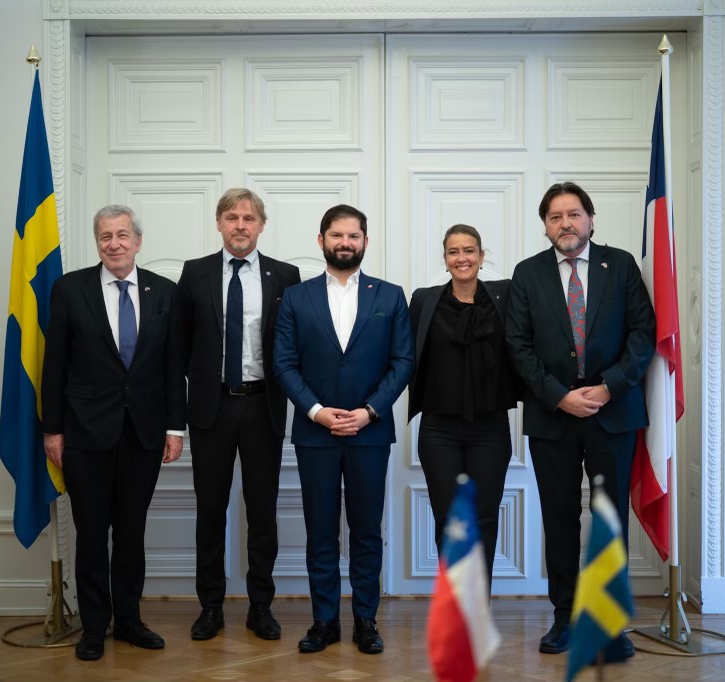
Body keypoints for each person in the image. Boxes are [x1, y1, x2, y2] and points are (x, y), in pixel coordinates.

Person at [505, 182, 655, 658]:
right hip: (554, 418)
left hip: (614, 414)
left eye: (573, 214)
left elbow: (643, 333)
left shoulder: (622, 264)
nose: (565, 224)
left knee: (609, 520)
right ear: (545, 225)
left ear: (590, 218)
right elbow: (518, 346)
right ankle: (565, 618)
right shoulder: (527, 274)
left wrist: (610, 385)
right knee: (561, 518)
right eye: (554, 216)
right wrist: (558, 396)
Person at [41, 204, 185, 661]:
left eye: (123, 235)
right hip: (84, 435)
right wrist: (52, 431)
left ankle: (128, 621)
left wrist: (174, 427)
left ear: (138, 241)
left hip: (143, 433)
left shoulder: (164, 292)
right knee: (90, 533)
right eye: (105, 236)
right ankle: (93, 626)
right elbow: (55, 365)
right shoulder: (70, 289)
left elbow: (173, 367)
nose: (115, 243)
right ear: (97, 242)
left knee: (130, 532)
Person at [273, 204, 414, 655]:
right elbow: (283, 363)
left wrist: (369, 411)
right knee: (320, 532)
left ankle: (366, 622)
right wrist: (316, 411)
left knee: (367, 530)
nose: (345, 243)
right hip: (316, 434)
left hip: (370, 434)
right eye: (337, 235)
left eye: (354, 236)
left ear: (365, 242)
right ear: (322, 241)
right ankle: (324, 621)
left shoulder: (390, 296)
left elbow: (403, 362)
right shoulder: (297, 297)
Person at [176, 188, 301, 642]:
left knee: (262, 511)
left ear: (262, 225)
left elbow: (294, 347)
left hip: (263, 405)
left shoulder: (286, 276)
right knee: (210, 510)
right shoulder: (195, 274)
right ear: (219, 223)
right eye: (232, 217)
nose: (240, 225)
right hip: (210, 408)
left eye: (249, 218)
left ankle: (260, 607)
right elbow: (179, 349)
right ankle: (210, 607)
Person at [407, 224, 518, 588]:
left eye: (469, 250)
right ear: (445, 259)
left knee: (484, 518)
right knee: (449, 519)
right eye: (454, 252)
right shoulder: (424, 301)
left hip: (490, 428)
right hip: (439, 430)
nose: (462, 258)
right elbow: (403, 356)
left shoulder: (505, 296)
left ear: (482, 257)